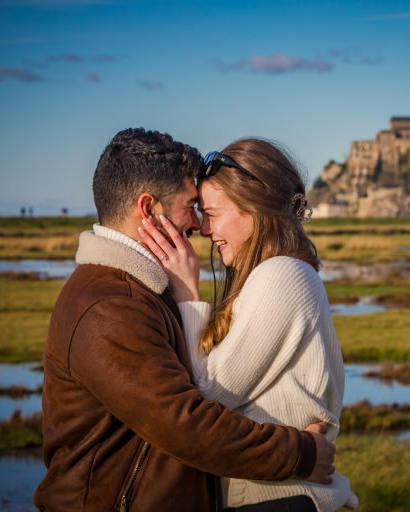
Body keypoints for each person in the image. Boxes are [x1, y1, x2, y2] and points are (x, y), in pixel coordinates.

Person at [34, 128, 336, 512]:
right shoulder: (110, 306)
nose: (198, 226)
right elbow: (186, 424)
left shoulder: (142, 290)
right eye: (192, 207)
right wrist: (301, 454)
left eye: (206, 212)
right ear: (148, 209)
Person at [139, 138, 358, 512]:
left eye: (212, 213)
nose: (204, 229)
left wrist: (188, 292)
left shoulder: (282, 275)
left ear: (254, 210)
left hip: (278, 499)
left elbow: (209, 395)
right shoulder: (269, 277)